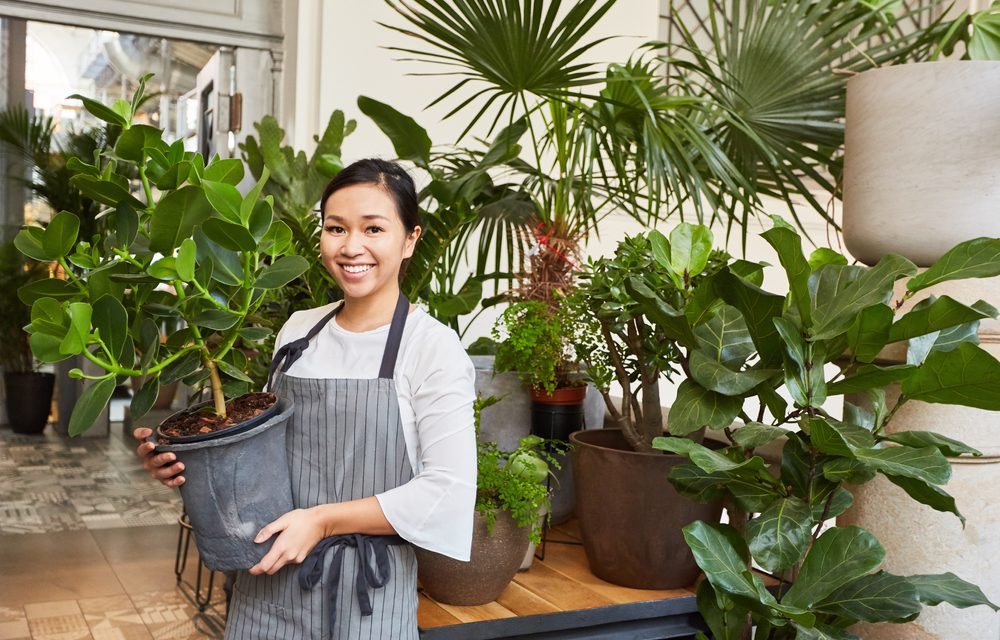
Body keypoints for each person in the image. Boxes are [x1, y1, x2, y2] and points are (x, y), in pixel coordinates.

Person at [133, 158, 477, 638]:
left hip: (365, 597)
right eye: (336, 228)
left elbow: (448, 492)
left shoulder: (432, 348)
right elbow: (261, 456)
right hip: (266, 584)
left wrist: (323, 522)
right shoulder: (298, 332)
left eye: (373, 228)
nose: (351, 246)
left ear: (410, 240)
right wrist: (189, 464)